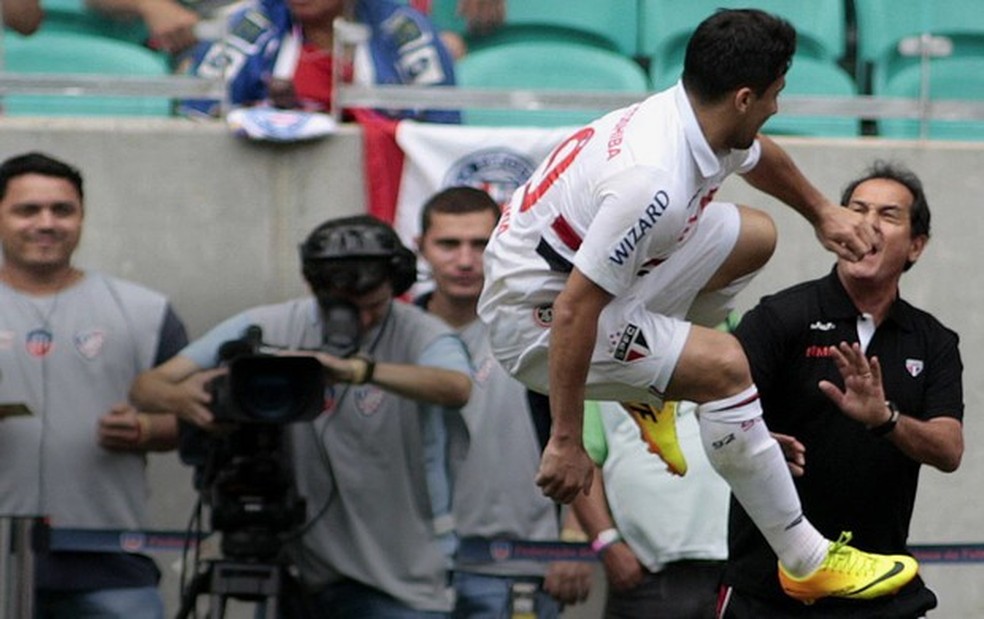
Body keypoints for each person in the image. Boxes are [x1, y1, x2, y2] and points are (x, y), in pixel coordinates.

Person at [476, 7, 917, 607]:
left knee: (754, 234)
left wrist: (821, 212)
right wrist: (565, 438)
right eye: (774, 95)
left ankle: (647, 385)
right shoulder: (651, 181)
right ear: (742, 97)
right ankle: (804, 558)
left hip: (578, 291)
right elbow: (578, 312)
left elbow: (760, 155)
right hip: (538, 324)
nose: (776, 108)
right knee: (725, 367)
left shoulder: (693, 116)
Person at [130, 214, 473, 617]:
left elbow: (456, 387)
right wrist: (189, 400)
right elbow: (146, 387)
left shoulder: (421, 331)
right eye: (346, 308)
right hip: (294, 563)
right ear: (317, 288)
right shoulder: (272, 323)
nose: (361, 320)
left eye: (374, 307)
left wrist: (357, 371)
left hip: (400, 575)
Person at [719, 161, 964, 618]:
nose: (867, 223)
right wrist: (751, 440)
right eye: (856, 210)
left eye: (888, 215)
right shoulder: (780, 317)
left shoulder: (933, 340)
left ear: (916, 246)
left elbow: (949, 450)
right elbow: (716, 406)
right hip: (768, 589)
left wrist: (885, 419)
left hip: (878, 586)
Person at [0, 152, 187, 618]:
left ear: (82, 217)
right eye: (28, 210)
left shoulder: (144, 312)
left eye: (62, 210)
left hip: (110, 561)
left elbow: (201, 420)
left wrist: (147, 429)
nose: (46, 223)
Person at [415, 186, 593, 617]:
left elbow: (590, 437)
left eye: (479, 244)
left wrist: (573, 538)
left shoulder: (536, 329)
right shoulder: (392, 334)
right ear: (419, 247)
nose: (464, 259)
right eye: (448, 244)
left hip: (520, 563)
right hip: (407, 569)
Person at [573, 315, 738, 619]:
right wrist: (606, 543)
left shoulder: (735, 336)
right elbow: (582, 461)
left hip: (733, 568)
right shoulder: (603, 350)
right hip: (645, 575)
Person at [179, 0, 459, 122]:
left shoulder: (401, 29)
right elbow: (197, 117)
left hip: (380, 182)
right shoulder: (248, 25)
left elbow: (441, 124)